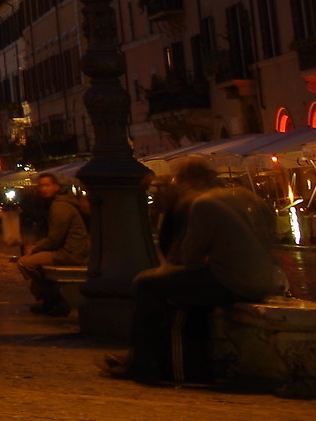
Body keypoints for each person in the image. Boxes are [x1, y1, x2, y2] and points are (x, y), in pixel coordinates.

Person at [108, 158, 284, 386]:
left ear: (184, 181)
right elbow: (270, 236)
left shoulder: (203, 204)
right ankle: (146, 360)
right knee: (167, 284)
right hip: (264, 280)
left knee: (146, 283)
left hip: (232, 282)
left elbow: (189, 258)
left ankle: (143, 364)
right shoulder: (243, 195)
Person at [16, 173, 88, 315]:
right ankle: (50, 297)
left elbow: (55, 239)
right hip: (68, 250)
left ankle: (48, 298)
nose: (44, 189)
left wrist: (36, 247)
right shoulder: (56, 204)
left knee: (25, 262)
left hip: (69, 253)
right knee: (34, 261)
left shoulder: (60, 207)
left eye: (47, 185)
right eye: (41, 185)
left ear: (56, 187)